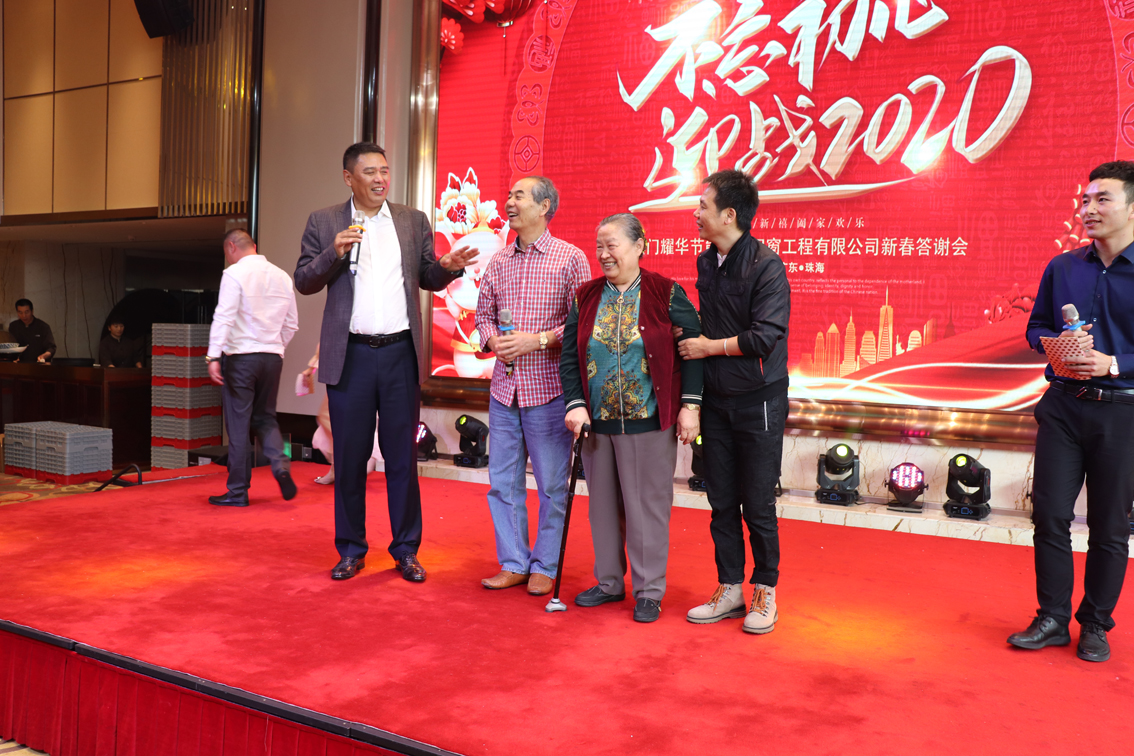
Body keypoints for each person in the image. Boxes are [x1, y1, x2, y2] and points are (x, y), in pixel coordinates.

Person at [294, 142, 477, 583]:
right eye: (370, 172)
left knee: (401, 459)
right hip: (351, 356)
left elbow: (428, 276)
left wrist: (447, 266)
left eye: (385, 171)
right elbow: (304, 280)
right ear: (349, 178)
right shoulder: (324, 221)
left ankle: (406, 550)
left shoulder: (412, 220)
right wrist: (333, 252)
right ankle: (351, 550)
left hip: (399, 355)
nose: (380, 179)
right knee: (350, 458)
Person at [1012, 161, 1134, 663]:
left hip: (1122, 413)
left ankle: (1096, 624)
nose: (1089, 209)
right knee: (1050, 515)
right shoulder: (1062, 267)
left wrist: (1113, 363)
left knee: (1110, 526)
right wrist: (1057, 343)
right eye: (1085, 200)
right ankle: (1052, 618)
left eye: (1102, 199)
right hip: (1063, 406)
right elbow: (1034, 327)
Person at [560, 213, 703, 622]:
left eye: (612, 246)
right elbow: (570, 356)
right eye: (599, 247)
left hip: (649, 421)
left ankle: (648, 590)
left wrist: (690, 406)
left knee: (647, 508)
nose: (604, 254)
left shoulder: (666, 293)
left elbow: (693, 351)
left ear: (639, 246)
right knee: (602, 508)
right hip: (596, 424)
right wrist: (575, 403)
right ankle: (609, 583)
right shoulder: (585, 296)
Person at [677, 169, 790, 635]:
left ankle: (765, 590)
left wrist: (708, 347)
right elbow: (706, 323)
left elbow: (765, 337)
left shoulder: (767, 266)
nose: (696, 213)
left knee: (757, 502)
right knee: (720, 500)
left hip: (759, 400)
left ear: (728, 215)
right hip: (717, 401)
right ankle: (729, 587)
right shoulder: (707, 262)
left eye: (703, 206)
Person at [474, 176, 589, 596]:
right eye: (509, 195)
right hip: (504, 391)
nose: (509, 202)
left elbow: (581, 323)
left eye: (518, 196)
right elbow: (483, 316)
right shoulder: (498, 260)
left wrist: (536, 340)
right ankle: (513, 562)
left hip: (548, 390)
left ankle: (545, 564)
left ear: (544, 207)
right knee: (502, 484)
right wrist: (493, 341)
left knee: (553, 487)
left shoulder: (570, 258)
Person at [206, 228, 299, 507]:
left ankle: (238, 491)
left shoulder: (234, 274)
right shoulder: (282, 276)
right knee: (266, 418)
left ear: (231, 247)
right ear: (254, 246)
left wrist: (213, 357)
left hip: (241, 358)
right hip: (272, 357)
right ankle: (280, 465)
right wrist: (274, 347)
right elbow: (292, 323)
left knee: (238, 425)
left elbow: (224, 316)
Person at [8, 299, 56, 363]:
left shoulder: (42, 326)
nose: (24, 316)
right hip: (19, 365)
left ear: (32, 311)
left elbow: (51, 348)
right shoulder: (13, 326)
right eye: (20, 312)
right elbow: (10, 346)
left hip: (38, 364)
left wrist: (43, 356)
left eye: (26, 312)